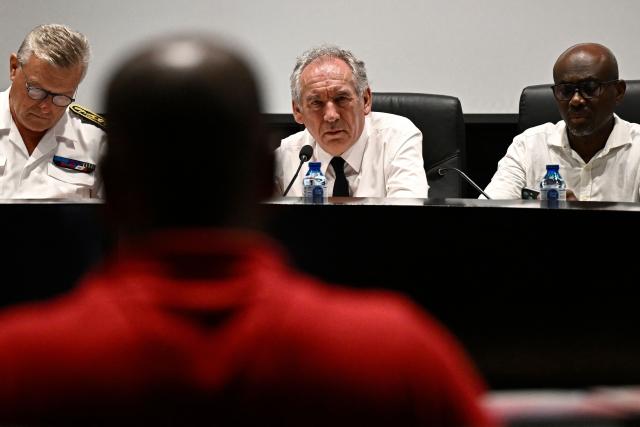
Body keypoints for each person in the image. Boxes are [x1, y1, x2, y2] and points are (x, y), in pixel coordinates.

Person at [0, 34, 495, 426]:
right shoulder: (400, 353)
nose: (329, 115)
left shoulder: (19, 364)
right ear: (266, 175)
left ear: (109, 186)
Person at [484, 43, 640, 201]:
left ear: (619, 91)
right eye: (566, 90)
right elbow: (488, 211)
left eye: (590, 88)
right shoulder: (528, 146)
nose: (576, 100)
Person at [275, 45, 429, 198]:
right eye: (316, 103)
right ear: (298, 111)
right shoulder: (288, 155)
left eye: (341, 99)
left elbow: (409, 217)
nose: (331, 116)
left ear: (366, 99)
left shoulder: (396, 138)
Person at [0, 23, 105, 199]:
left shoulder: (96, 142)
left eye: (62, 97)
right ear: (14, 67)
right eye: (36, 90)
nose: (46, 107)